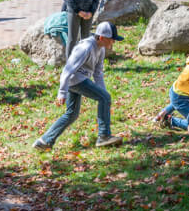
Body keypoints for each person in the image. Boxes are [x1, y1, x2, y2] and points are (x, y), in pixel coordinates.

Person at [33, 21, 124, 150]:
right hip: (75, 79)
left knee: (72, 114)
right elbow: (67, 70)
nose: (113, 42)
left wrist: (102, 93)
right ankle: (104, 136)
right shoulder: (85, 48)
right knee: (104, 98)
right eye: (111, 39)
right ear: (102, 37)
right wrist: (62, 92)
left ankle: (45, 141)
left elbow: (98, 73)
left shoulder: (101, 49)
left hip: (79, 80)